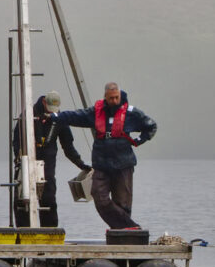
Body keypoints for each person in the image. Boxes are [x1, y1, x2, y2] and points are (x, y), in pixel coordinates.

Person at [52, 82, 157, 229]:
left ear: (120, 96)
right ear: (105, 97)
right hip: (101, 163)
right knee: (99, 196)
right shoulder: (96, 112)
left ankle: (122, 234)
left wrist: (139, 140)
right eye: (111, 98)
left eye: (116, 97)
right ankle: (131, 227)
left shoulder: (131, 113)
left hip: (124, 163)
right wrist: (56, 116)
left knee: (123, 203)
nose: (114, 101)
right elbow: (76, 116)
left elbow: (151, 126)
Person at [12, 91, 90, 227]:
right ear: (44, 103)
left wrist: (81, 165)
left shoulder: (59, 119)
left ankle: (50, 232)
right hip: (26, 162)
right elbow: (16, 140)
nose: (51, 112)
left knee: (49, 198)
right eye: (49, 109)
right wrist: (19, 159)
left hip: (47, 164)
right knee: (21, 199)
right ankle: (22, 231)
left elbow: (68, 147)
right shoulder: (27, 116)